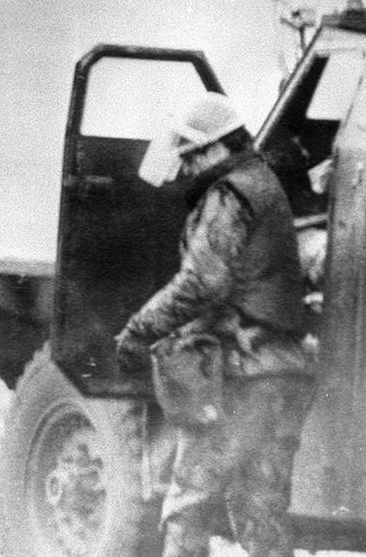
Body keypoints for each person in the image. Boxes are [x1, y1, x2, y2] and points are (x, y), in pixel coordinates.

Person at [114, 92, 315, 557]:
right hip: (283, 371)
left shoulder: (229, 194)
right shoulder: (262, 182)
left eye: (190, 156)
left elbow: (200, 284)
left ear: (213, 148)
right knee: (261, 514)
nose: (185, 169)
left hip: (241, 376)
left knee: (188, 507)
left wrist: (139, 331)